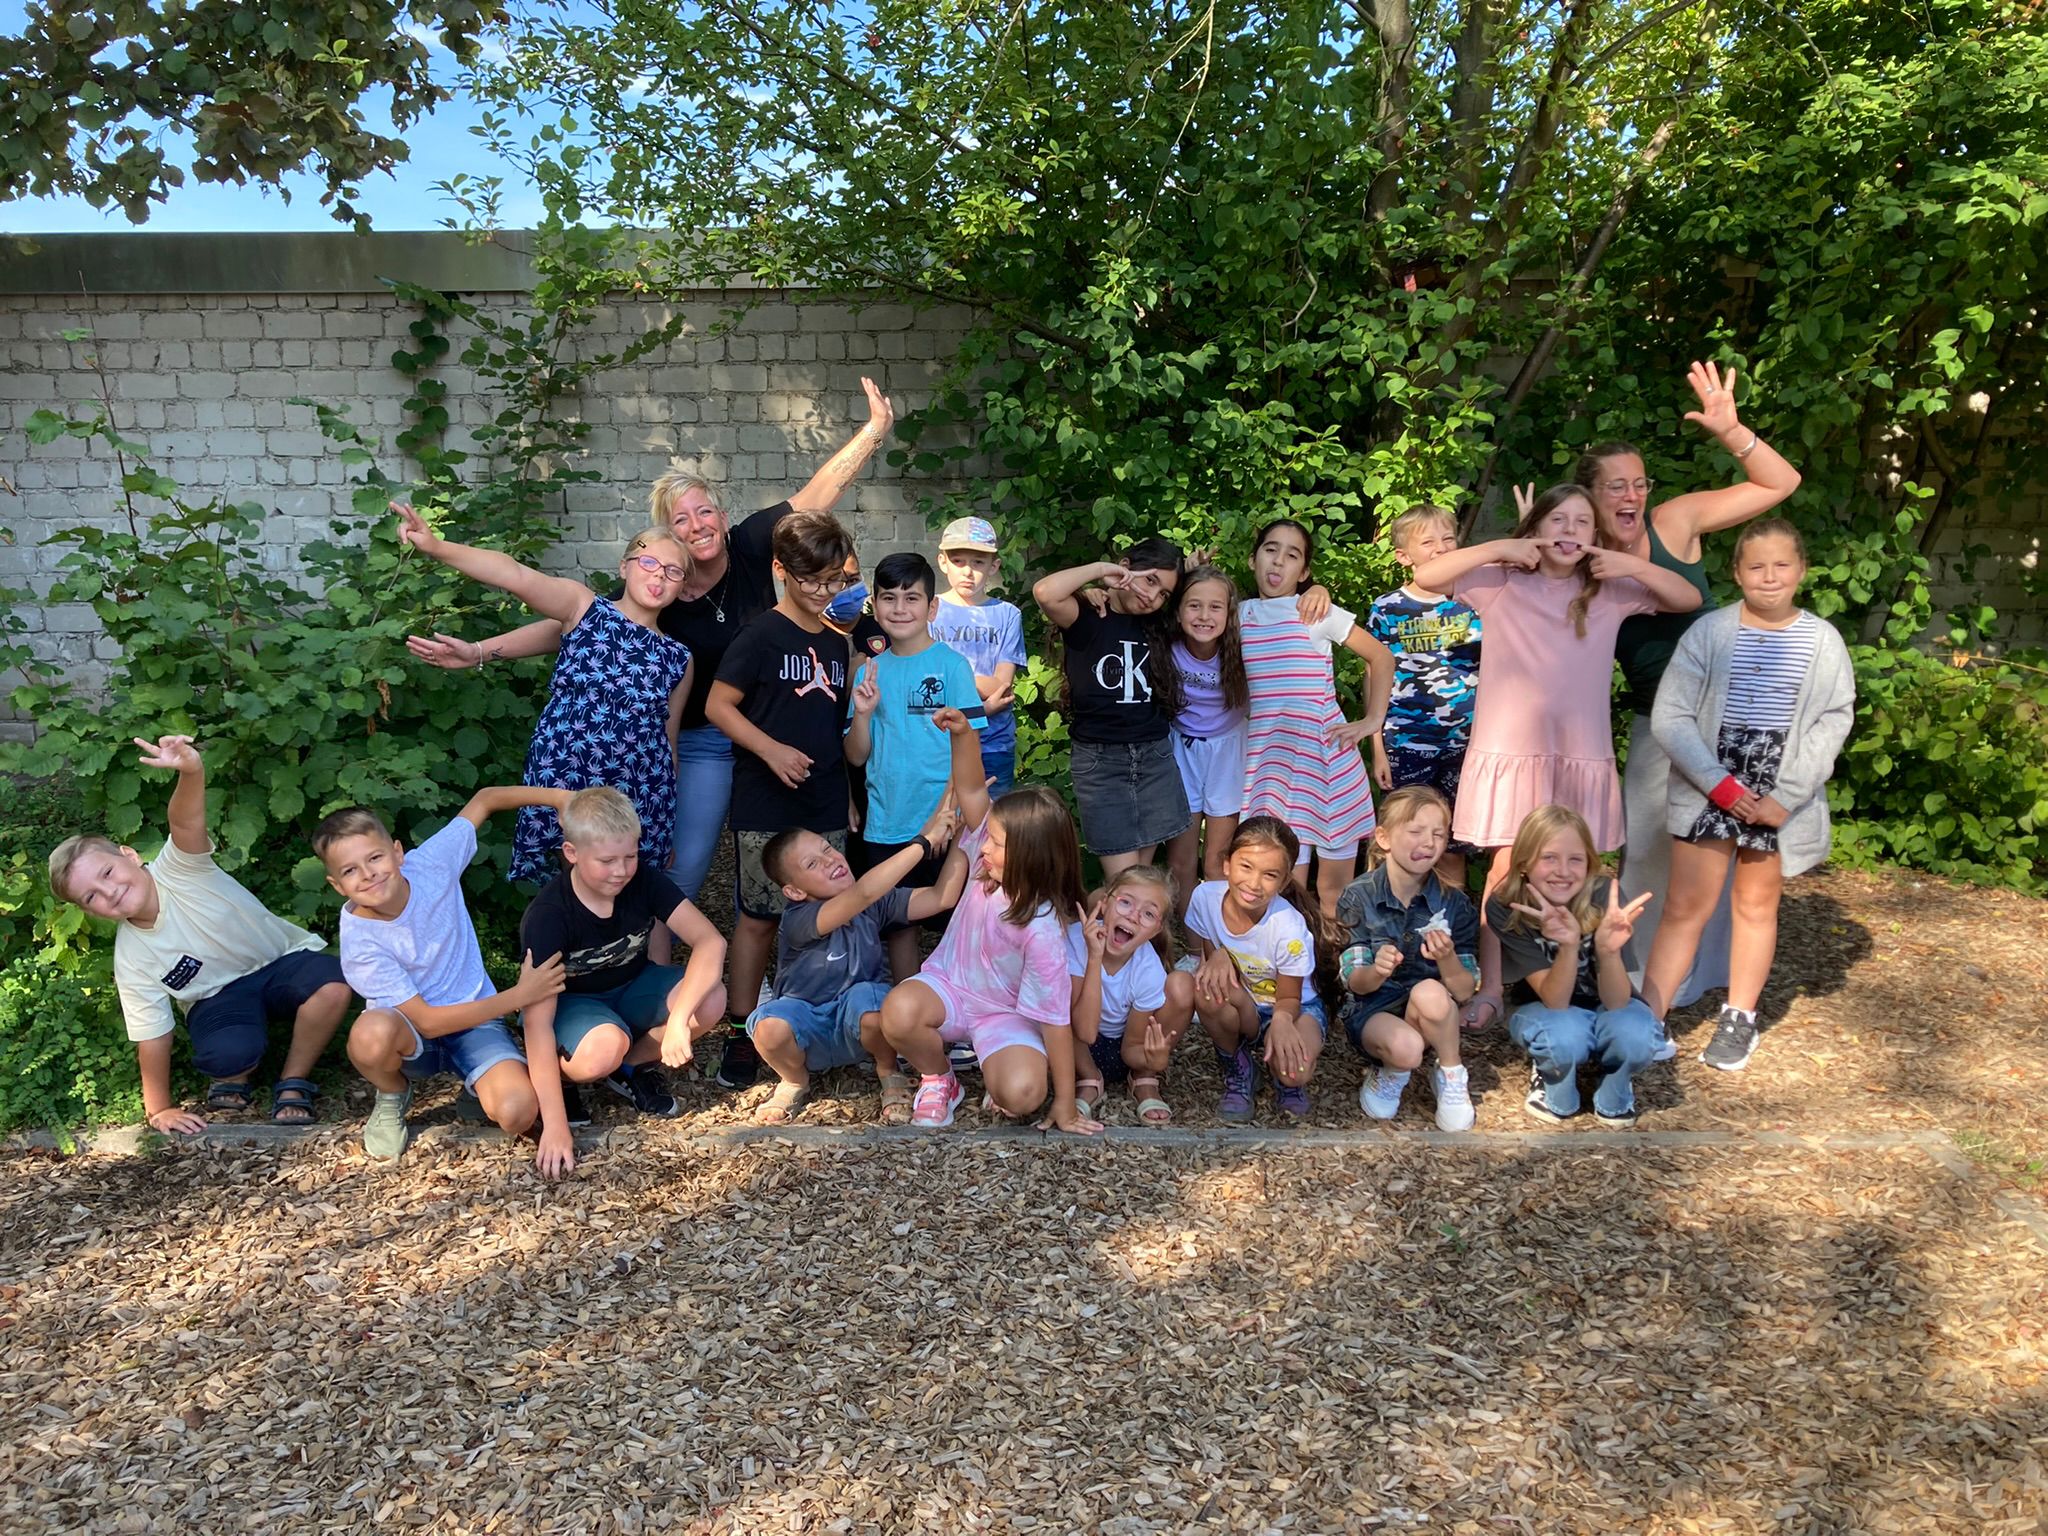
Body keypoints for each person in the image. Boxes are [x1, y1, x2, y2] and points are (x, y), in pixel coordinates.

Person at [405, 378, 896, 912]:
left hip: (760, 723)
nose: (696, 526)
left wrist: (873, 431)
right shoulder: (655, 588)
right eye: (680, 520)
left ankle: (770, 934)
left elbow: (818, 494)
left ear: (722, 518)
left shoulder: (751, 546)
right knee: (663, 859)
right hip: (688, 737)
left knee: (759, 847)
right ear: (665, 540)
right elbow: (571, 628)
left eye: (704, 512)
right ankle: (630, 938)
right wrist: (481, 651)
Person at [1412, 484, 1704, 1031]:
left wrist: (1629, 564)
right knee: (1506, 868)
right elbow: (1428, 575)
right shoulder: (1501, 582)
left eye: (1581, 523)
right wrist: (1503, 546)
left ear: (1595, 536)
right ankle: (1493, 986)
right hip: (1511, 752)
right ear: (1537, 529)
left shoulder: (1609, 590)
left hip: (1579, 754)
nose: (1569, 532)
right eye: (1558, 521)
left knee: (1579, 868)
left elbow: (1687, 597)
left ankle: (1577, 979)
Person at [1581, 362, 1802, 1017]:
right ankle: (1641, 983)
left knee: (1727, 855)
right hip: (1660, 724)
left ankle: (1706, 980)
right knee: (1649, 853)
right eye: (1617, 485)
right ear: (1590, 496)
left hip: (1734, 718)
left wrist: (1732, 432)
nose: (1633, 494)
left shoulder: (1674, 523)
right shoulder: (1579, 560)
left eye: (1639, 482)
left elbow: (1781, 482)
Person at [49, 735, 351, 1133]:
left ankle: (293, 1080)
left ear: (130, 856)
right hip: (216, 998)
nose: (109, 891)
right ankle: (234, 1074)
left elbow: (185, 822)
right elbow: (152, 1034)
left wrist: (191, 770)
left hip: (280, 963)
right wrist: (158, 1109)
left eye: (107, 873)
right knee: (227, 1054)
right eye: (92, 896)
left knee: (332, 984)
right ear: (90, 912)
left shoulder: (179, 868)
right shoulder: (132, 957)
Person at [1641, 519, 1855, 1072]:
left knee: (1755, 905)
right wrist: (1718, 784)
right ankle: (1648, 1018)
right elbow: (1671, 716)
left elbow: (1833, 721)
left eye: (1782, 565)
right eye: (1756, 566)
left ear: (1802, 570)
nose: (1770, 577)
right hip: (1711, 782)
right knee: (1685, 906)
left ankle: (1739, 1016)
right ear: (1737, 573)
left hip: (1778, 791)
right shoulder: (1709, 633)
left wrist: (1786, 796)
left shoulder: (1822, 640)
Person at [394, 505, 692, 885]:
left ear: (682, 586)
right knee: (570, 893)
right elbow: (514, 575)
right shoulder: (584, 607)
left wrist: (666, 823)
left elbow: (668, 745)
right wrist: (437, 547)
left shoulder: (679, 657)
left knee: (632, 897)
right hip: (567, 779)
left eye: (673, 570)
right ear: (624, 566)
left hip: (638, 793)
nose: (659, 575)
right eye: (648, 561)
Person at [314, 788, 573, 1161]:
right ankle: (393, 1092)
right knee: (370, 1034)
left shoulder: (431, 864)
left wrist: (560, 798)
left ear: (398, 853)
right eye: (350, 871)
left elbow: (484, 800)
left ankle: (475, 1085)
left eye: (375, 858)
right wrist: (519, 996)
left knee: (518, 1111)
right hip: (412, 1032)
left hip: (476, 1022)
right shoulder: (360, 941)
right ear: (337, 886)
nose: (368, 874)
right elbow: (428, 1022)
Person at [880, 708, 1096, 1133]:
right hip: (950, 986)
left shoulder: (1044, 931)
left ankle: (997, 1065)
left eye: (995, 843)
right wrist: (963, 734)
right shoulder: (988, 865)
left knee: (1023, 1096)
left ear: (1028, 857)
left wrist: (1065, 1104)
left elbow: (1056, 1021)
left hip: (1005, 1015)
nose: (981, 847)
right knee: (898, 1012)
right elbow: (972, 787)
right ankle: (940, 1077)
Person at [703, 510, 858, 1055]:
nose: (822, 591)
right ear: (779, 570)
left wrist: (848, 795)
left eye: (833, 580)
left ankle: (819, 1019)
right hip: (765, 801)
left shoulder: (838, 644)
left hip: (825, 799)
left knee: (827, 915)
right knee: (760, 917)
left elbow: (835, 728)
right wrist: (769, 750)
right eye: (809, 579)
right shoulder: (759, 634)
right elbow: (718, 706)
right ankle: (739, 1033)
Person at [516, 788, 729, 1178]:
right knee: (603, 1048)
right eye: (607, 861)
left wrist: (679, 1019)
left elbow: (711, 941)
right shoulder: (549, 915)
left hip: (633, 985)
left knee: (710, 999)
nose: (621, 870)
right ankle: (562, 1083)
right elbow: (536, 1021)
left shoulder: (643, 879)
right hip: (573, 1004)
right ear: (571, 853)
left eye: (630, 856)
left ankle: (630, 1066)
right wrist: (556, 1125)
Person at [748, 795, 968, 1124]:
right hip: (807, 1024)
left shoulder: (876, 904)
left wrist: (964, 837)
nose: (829, 860)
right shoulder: (798, 918)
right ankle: (794, 1080)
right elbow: (863, 892)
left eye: (826, 848)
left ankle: (888, 1070)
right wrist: (925, 841)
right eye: (812, 864)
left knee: (872, 998)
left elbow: (941, 897)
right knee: (770, 1027)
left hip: (861, 1022)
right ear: (795, 892)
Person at [1237, 518, 1396, 924]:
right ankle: (1289, 961)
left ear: (1304, 571)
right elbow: (1194, 615)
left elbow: (1381, 657)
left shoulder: (1317, 613)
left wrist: (1373, 720)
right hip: (1272, 770)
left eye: (1292, 555)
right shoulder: (1240, 616)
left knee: (1333, 894)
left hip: (1325, 766)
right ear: (1253, 559)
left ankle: (1336, 962)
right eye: (1271, 549)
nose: (1279, 561)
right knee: (1282, 887)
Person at [844, 551, 987, 982]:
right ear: (874, 605)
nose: (900, 608)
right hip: (887, 822)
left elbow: (969, 749)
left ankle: (958, 1011)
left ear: (932, 607)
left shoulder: (952, 666)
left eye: (912, 598)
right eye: (889, 598)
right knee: (899, 929)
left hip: (944, 823)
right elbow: (856, 756)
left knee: (957, 925)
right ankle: (906, 1005)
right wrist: (863, 714)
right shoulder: (868, 673)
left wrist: (948, 813)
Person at [1485, 804, 1659, 1125]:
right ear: (1524, 863)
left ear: (1589, 864)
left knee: (1637, 1032)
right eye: (1549, 858)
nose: (1563, 871)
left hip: (1606, 1004)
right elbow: (1555, 1000)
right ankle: (1554, 1079)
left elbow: (1617, 1002)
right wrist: (1568, 946)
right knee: (1566, 1035)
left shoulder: (1605, 897)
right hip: (1546, 1009)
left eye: (1575, 859)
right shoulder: (1507, 906)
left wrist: (1607, 952)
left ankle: (1616, 1084)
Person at [1032, 538, 1189, 878]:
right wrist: (1102, 571)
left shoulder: (1157, 625)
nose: (1152, 596)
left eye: (1163, 593)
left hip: (1154, 757)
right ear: (1126, 567)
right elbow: (1045, 592)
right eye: (1149, 580)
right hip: (1101, 763)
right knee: (1125, 881)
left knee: (1139, 879)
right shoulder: (1087, 616)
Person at [1339, 787, 1480, 1131]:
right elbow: (1355, 982)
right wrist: (1376, 970)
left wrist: (1447, 958)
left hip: (1432, 1014)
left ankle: (1451, 1073)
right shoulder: (1358, 897)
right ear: (1384, 838)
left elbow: (1464, 991)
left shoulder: (1455, 904)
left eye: (1438, 834)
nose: (1428, 843)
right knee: (1406, 1048)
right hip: (1373, 1011)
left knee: (1430, 991)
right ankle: (1392, 1070)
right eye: (1415, 831)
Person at [1184, 815, 1335, 1123]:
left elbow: (1290, 997)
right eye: (1246, 867)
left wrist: (1282, 1021)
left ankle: (1283, 1076)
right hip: (1244, 1001)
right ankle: (1238, 1065)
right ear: (1227, 864)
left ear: (1284, 881)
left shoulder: (1288, 928)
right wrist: (1218, 955)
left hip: (1293, 1006)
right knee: (1207, 991)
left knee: (1295, 1072)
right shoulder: (1205, 898)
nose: (1253, 884)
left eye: (1269, 875)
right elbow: (1215, 970)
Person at [1367, 505, 1484, 888]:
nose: (1441, 548)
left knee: (1451, 845)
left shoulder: (1475, 602)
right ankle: (1388, 916)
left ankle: (1450, 921)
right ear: (1404, 556)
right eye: (1428, 542)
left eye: (1448, 539)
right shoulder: (1387, 608)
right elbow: (1373, 675)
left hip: (1466, 746)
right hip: (1406, 743)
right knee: (1401, 839)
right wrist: (1377, 746)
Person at [1068, 865, 1196, 1126]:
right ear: (1104, 904)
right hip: (1073, 1048)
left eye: (1148, 913)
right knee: (1049, 996)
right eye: (1126, 902)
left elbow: (1132, 1048)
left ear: (1157, 929)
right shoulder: (1074, 941)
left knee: (1183, 983)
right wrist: (1094, 957)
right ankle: (1089, 1078)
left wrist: (1154, 1060)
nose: (1134, 916)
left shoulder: (1148, 969)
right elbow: (1085, 1033)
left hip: (1123, 1052)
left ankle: (1143, 1077)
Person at [1164, 565, 1251, 928]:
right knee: (1180, 861)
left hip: (1228, 751)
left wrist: (1315, 592)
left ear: (1229, 613)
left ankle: (1215, 942)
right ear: (1178, 610)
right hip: (1181, 750)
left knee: (1216, 860)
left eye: (1215, 607)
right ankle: (1188, 942)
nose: (1204, 616)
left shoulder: (1243, 648)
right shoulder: (1165, 646)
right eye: (1194, 605)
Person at [929, 516, 1029, 796]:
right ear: (943, 562)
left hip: (994, 744)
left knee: (992, 820)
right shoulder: (929, 610)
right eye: (958, 561)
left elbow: (1001, 687)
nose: (968, 572)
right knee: (941, 818)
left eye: (978, 562)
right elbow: (929, 681)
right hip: (939, 740)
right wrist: (981, 698)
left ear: (993, 566)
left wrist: (952, 679)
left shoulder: (1007, 615)